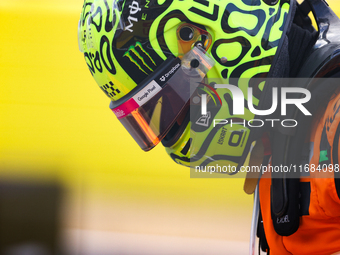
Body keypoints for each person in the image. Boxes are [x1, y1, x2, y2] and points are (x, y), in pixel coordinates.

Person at [77, 0, 340, 253]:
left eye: (173, 99)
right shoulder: (287, 124)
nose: (172, 122)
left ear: (200, 36)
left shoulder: (332, 126)